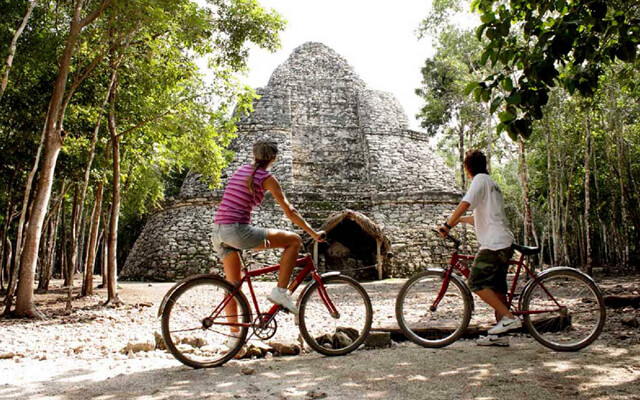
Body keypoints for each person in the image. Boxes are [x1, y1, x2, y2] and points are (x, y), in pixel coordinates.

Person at [212, 140, 325, 321]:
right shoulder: (266, 178)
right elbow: (290, 211)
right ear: (273, 158)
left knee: (233, 288)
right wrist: (313, 233)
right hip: (237, 232)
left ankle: (234, 340)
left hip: (218, 232)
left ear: (254, 154)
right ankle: (281, 291)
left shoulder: (242, 170)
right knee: (294, 240)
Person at [438, 149, 520, 347]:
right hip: (504, 240)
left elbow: (465, 204)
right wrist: (458, 222)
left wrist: (448, 224)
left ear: (467, 168)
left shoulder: (479, 181)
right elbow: (480, 217)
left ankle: (509, 317)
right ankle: (500, 336)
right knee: (497, 289)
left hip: (494, 243)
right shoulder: (493, 184)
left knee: (475, 282)